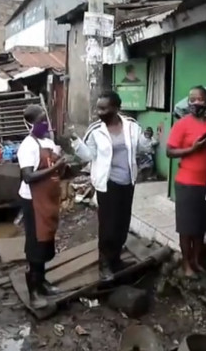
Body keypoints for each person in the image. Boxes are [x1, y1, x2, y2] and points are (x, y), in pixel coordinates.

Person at [71, 90, 143, 283]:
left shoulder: (131, 126)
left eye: (104, 108)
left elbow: (141, 147)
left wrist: (150, 141)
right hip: (107, 184)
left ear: (116, 108)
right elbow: (88, 156)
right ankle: (104, 264)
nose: (99, 112)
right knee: (108, 226)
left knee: (122, 223)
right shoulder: (95, 129)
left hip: (127, 181)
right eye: (98, 108)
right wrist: (76, 144)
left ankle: (116, 259)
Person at [17, 105, 65, 308]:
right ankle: (34, 292)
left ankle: (43, 282)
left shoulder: (48, 142)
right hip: (33, 200)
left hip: (48, 199)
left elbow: (53, 166)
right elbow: (27, 176)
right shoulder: (27, 146)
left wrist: (63, 164)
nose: (45, 124)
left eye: (46, 120)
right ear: (30, 124)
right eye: (41, 121)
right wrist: (55, 167)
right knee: (36, 246)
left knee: (46, 241)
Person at [166, 86, 206, 277]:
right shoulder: (182, 124)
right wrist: (192, 149)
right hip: (187, 183)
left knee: (201, 226)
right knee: (187, 227)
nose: (196, 103)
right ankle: (186, 264)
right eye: (192, 99)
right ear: (188, 102)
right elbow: (170, 152)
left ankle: (196, 261)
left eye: (200, 99)